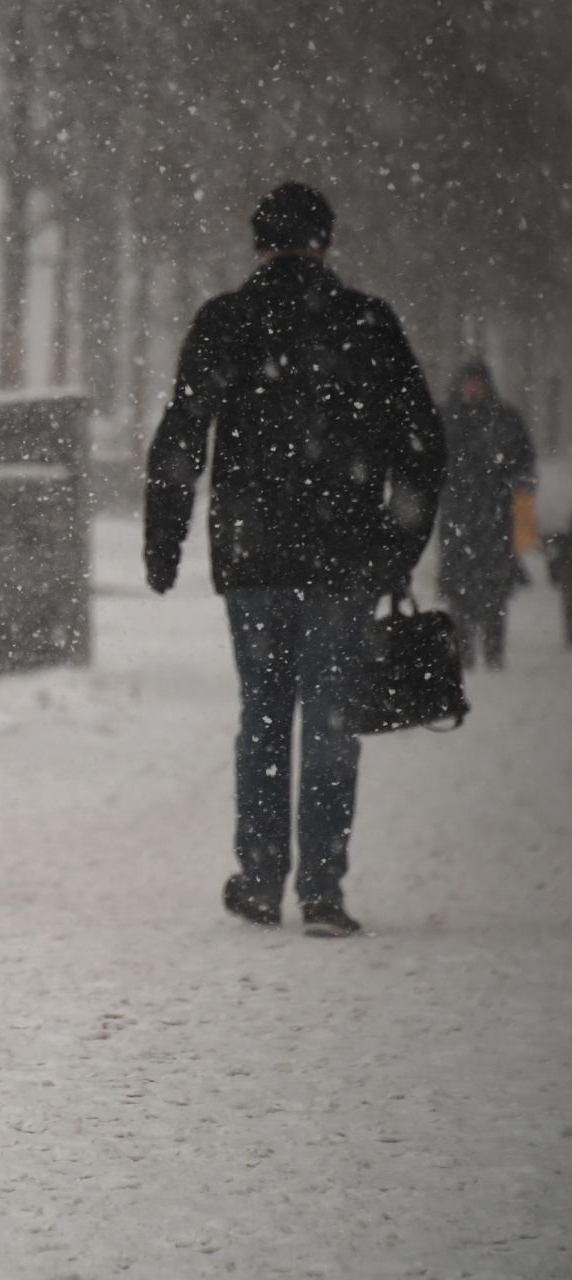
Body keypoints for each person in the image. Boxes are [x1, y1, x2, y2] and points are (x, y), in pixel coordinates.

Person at [144, 182, 446, 938]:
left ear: (259, 243)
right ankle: (321, 889)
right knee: (331, 721)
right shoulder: (367, 324)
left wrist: (164, 542)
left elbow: (181, 438)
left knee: (265, 716)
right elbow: (421, 445)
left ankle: (259, 876)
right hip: (344, 556)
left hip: (254, 556)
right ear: (325, 242)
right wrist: (395, 546)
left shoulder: (226, 322)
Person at [437, 357, 537, 670]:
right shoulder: (446, 417)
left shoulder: (505, 419)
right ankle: (463, 654)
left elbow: (525, 464)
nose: (474, 387)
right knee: (459, 589)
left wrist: (517, 491)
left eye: (478, 381)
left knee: (494, 589)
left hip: (495, 515)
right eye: (470, 381)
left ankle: (494, 653)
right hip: (457, 515)